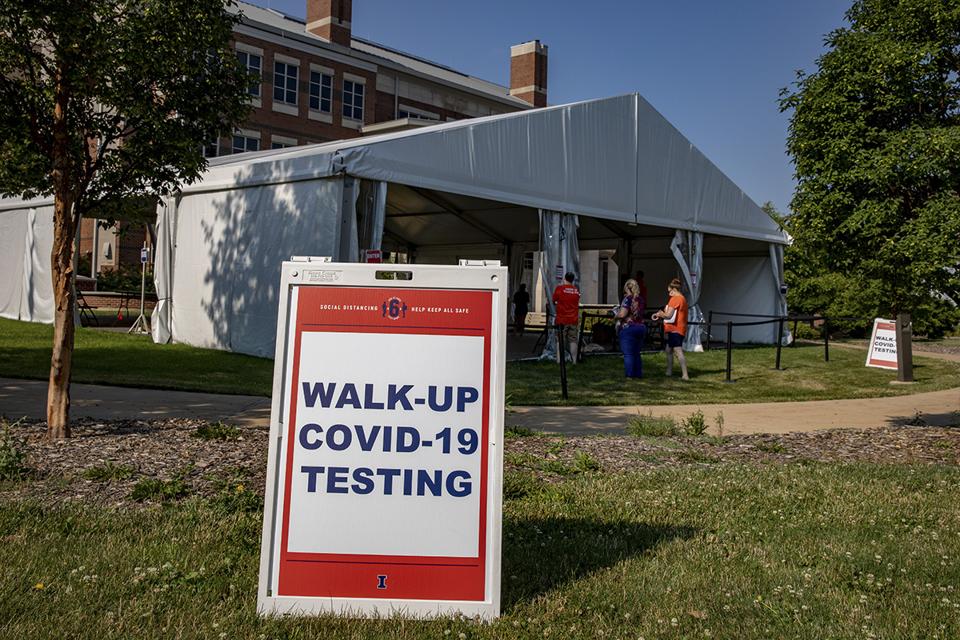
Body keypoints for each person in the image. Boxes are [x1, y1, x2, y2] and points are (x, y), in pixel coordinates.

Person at [651, 277, 689, 380]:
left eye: (670, 291)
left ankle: (685, 375)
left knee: (678, 350)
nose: (669, 294)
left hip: (675, 329)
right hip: (679, 328)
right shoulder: (683, 299)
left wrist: (660, 313)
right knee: (668, 349)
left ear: (674, 289)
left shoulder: (675, 299)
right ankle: (669, 371)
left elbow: (668, 315)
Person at [616, 279, 647, 378]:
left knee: (628, 354)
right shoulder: (641, 299)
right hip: (640, 327)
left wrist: (615, 316)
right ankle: (638, 374)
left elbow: (622, 314)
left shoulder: (627, 299)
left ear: (627, 288)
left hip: (628, 328)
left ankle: (629, 375)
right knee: (636, 353)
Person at [552, 272, 580, 364]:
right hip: (573, 319)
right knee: (573, 340)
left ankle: (559, 361)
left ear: (565, 278)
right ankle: (574, 361)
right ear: (572, 280)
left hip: (562, 319)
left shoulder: (560, 289)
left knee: (560, 340)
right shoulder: (576, 290)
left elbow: (554, 300)